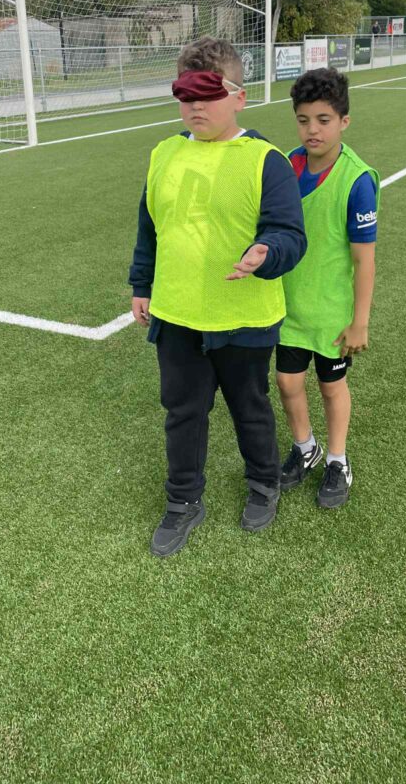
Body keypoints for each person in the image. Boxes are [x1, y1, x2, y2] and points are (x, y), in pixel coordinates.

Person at [129, 37, 307, 557]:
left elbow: (291, 234)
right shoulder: (164, 153)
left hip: (244, 316)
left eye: (208, 94)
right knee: (182, 412)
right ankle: (183, 501)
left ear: (239, 98)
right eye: (185, 95)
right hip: (178, 314)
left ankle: (264, 483)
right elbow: (149, 227)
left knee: (249, 407)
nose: (195, 106)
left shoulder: (266, 160)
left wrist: (267, 252)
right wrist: (142, 284)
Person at [275, 67, 379, 509]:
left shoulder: (357, 181)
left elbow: (363, 259)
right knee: (286, 382)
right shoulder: (284, 166)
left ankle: (337, 459)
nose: (312, 130)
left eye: (323, 120)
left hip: (332, 312)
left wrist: (359, 321)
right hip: (289, 308)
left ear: (344, 121)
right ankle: (306, 448)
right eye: (303, 120)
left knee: (331, 387)